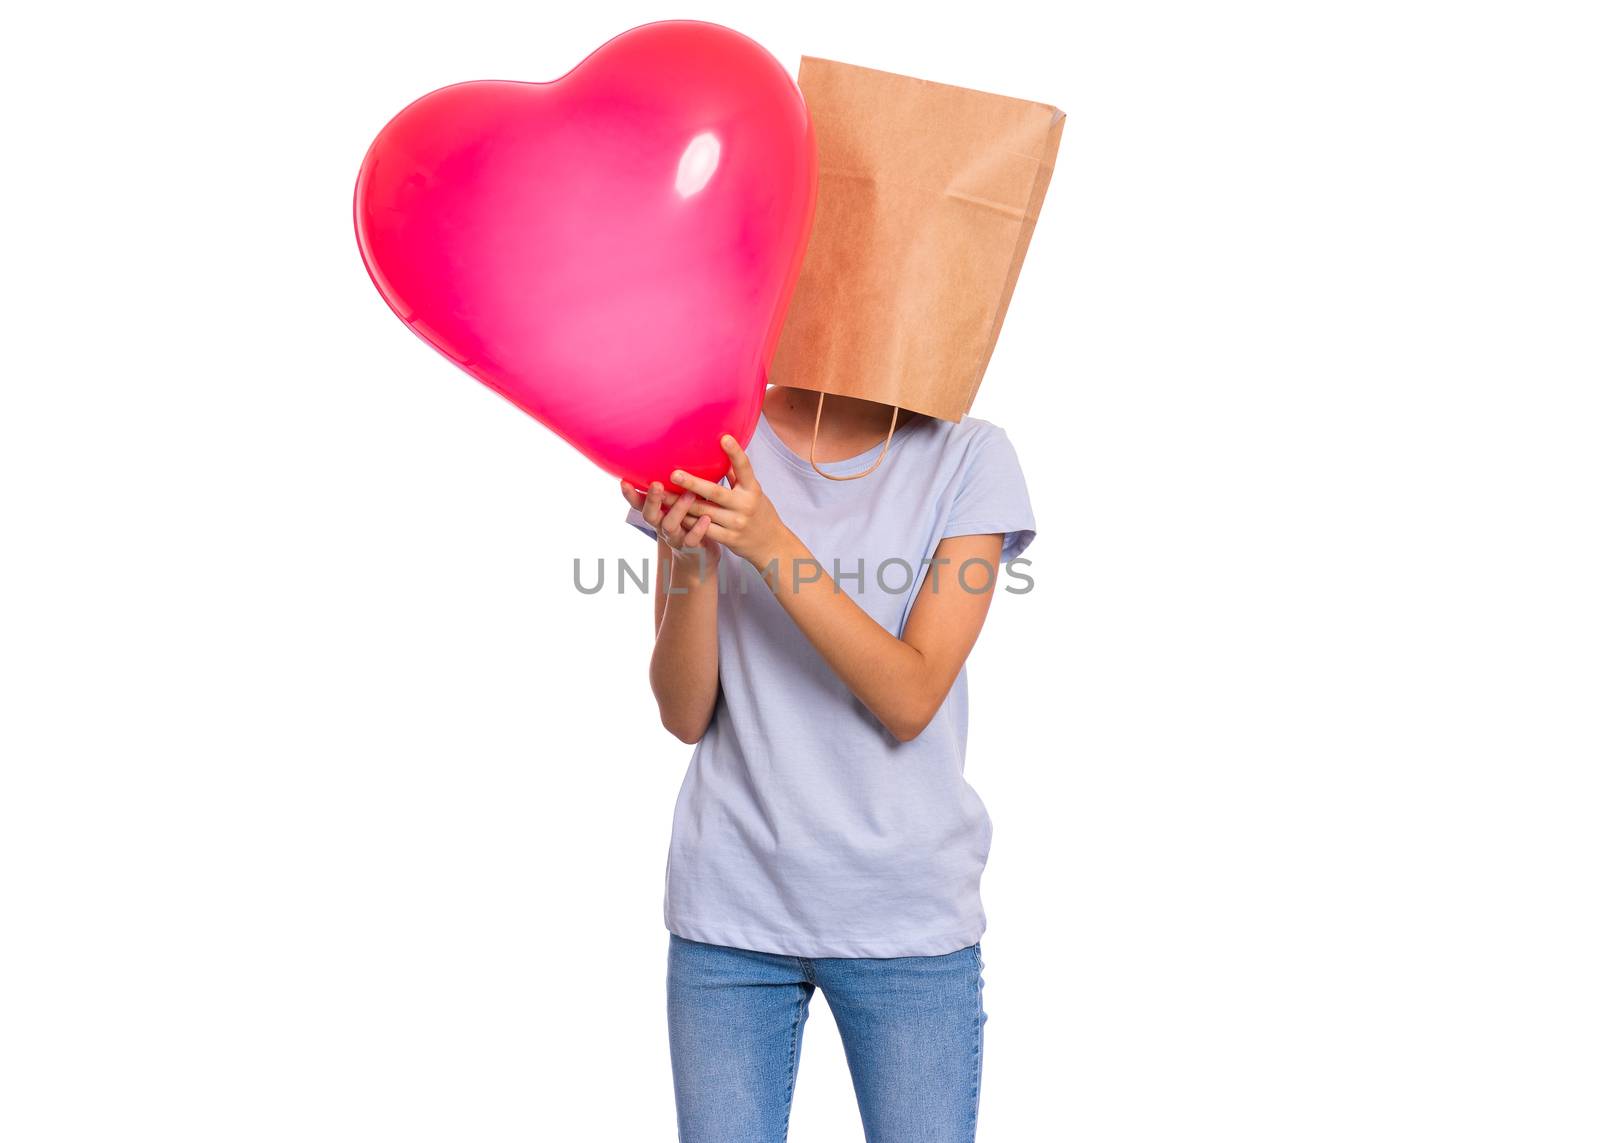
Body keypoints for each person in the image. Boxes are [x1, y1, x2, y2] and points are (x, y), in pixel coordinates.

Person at [621, 382, 1036, 1142]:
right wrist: (692, 558)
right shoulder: (714, 436)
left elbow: (910, 697)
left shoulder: (971, 456)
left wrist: (771, 542)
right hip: (730, 911)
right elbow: (684, 714)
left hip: (908, 921)